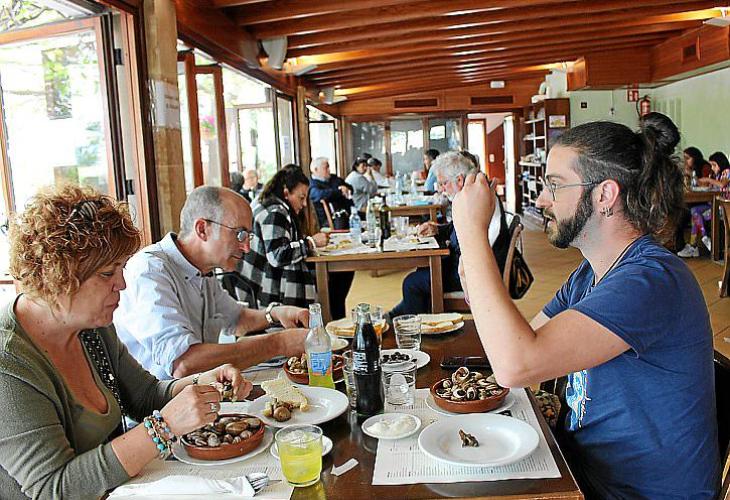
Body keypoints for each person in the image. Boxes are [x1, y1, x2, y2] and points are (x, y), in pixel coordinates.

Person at [453, 113, 719, 498]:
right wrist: (475, 275)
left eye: (555, 186)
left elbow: (515, 365)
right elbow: (519, 344)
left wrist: (470, 232)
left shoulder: (650, 281)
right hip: (584, 471)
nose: (542, 200)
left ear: (604, 195)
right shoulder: (590, 273)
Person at [0, 185, 253, 499]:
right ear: (59, 277)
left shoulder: (91, 327)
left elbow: (145, 395)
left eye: (121, 269)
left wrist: (200, 383)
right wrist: (164, 427)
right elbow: (54, 489)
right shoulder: (9, 362)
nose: (121, 283)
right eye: (108, 273)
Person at [114, 186, 309, 380]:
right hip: (163, 398)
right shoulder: (150, 270)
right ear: (202, 229)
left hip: (202, 391)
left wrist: (276, 313)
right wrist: (279, 343)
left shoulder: (203, 270)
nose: (247, 248)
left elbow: (237, 319)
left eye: (249, 236)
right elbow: (184, 364)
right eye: (240, 234)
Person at [389, 151, 510, 317]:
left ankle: (411, 324)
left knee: (412, 283)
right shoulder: (475, 192)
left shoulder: (474, 199)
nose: (441, 189)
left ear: (459, 180)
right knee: (422, 271)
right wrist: (437, 229)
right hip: (473, 264)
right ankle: (405, 315)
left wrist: (445, 245)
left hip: (480, 273)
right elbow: (457, 227)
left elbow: (468, 241)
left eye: (443, 183)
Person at [678, 151, 730, 257]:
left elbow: (722, 185)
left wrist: (708, 179)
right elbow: (712, 186)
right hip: (714, 204)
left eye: (714, 165)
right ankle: (704, 238)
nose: (712, 168)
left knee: (696, 216)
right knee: (694, 211)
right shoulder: (717, 174)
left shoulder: (727, 171)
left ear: (721, 163)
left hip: (724, 207)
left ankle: (694, 246)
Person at [308, 156, 354, 229]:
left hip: (346, 212)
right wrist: (339, 191)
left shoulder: (333, 178)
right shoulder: (312, 184)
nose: (329, 170)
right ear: (316, 170)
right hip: (329, 220)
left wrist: (345, 189)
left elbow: (350, 188)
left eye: (329, 167)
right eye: (326, 168)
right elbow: (318, 195)